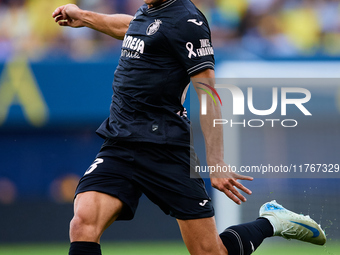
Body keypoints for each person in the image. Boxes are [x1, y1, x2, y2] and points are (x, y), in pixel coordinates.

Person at [52, 1, 326, 254]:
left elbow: (207, 93)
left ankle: (271, 222)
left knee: (209, 251)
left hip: (166, 148)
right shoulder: (149, 10)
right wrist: (85, 17)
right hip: (120, 141)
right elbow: (132, 28)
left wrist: (216, 161)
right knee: (83, 224)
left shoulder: (187, 21)